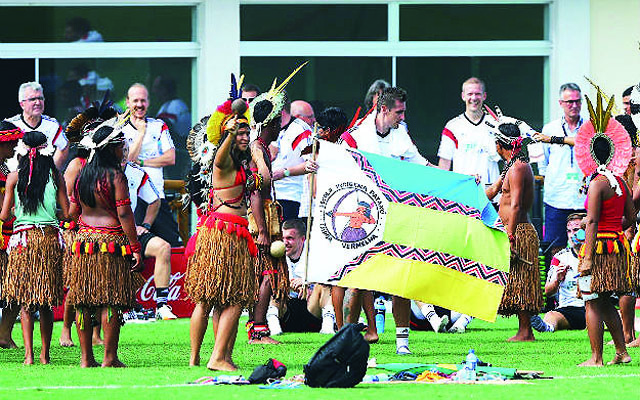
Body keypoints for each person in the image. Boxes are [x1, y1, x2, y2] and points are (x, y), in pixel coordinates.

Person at [339, 86, 429, 354]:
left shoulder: (401, 132)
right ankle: (346, 340)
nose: (402, 117)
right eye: (398, 112)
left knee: (401, 277)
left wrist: (460, 178)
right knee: (356, 278)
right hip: (362, 218)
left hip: (396, 215)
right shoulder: (353, 138)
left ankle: (402, 343)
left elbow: (422, 166)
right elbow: (339, 174)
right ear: (383, 109)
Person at [185, 104, 257, 371]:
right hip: (224, 234)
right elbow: (217, 159)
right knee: (231, 298)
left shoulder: (240, 163)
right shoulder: (223, 160)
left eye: (246, 132)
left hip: (231, 233)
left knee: (219, 299)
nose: (244, 136)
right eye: (240, 132)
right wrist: (228, 133)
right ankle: (216, 358)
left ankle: (219, 356)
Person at [66, 123, 143, 368]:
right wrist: (135, 246)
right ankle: (109, 357)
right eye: (121, 145)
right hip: (110, 243)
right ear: (111, 149)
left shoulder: (82, 176)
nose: (124, 149)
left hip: (84, 243)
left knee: (83, 300)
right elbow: (124, 214)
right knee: (111, 300)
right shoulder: (115, 177)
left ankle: (86, 358)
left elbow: (73, 212)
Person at [574, 91, 633, 366]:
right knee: (605, 300)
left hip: (597, 248)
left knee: (592, 300)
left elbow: (594, 221)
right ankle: (622, 352)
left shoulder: (597, 183)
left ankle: (596, 357)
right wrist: (613, 228)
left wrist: (586, 257)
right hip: (617, 245)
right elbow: (631, 218)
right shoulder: (621, 182)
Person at [1, 131, 68, 364]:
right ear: (47, 149)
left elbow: (3, 215)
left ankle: (28, 355)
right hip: (48, 239)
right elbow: (68, 213)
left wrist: (17, 212)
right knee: (46, 300)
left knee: (26, 301)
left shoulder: (13, 177)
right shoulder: (56, 176)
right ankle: (44, 354)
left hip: (23, 242)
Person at [485, 111, 543, 341]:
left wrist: (510, 235)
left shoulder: (518, 167)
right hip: (512, 229)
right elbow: (491, 192)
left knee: (521, 281)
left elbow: (517, 205)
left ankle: (526, 331)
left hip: (518, 230)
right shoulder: (510, 167)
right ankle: (523, 329)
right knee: (516, 280)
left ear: (500, 145)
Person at [122, 83, 180, 247]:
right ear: (127, 102)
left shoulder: (159, 125)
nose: (139, 105)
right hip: (134, 199)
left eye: (143, 100)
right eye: (135, 101)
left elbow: (170, 158)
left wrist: (141, 162)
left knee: (172, 244)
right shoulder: (121, 130)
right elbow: (127, 161)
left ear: (148, 102)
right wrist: (140, 133)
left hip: (158, 196)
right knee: (136, 247)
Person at [534, 83, 586, 255]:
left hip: (583, 197)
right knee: (555, 247)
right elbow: (543, 162)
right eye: (569, 101)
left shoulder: (590, 128)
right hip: (556, 197)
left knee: (584, 245)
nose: (574, 105)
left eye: (577, 101)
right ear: (561, 103)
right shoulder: (550, 129)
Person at [123, 160, 176, 320]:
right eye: (120, 148)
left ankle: (161, 305)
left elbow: (155, 200)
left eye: (126, 148)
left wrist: (145, 224)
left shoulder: (135, 172)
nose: (124, 152)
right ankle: (125, 306)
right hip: (107, 232)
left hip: (131, 231)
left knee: (163, 247)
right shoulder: (95, 170)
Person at [267, 219, 335, 335]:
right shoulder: (276, 253)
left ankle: (328, 326)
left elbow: (331, 276)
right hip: (286, 311)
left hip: (312, 310)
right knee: (273, 285)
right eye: (283, 238)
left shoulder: (317, 253)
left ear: (302, 239)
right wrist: (289, 284)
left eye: (290, 238)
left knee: (324, 285)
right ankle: (273, 326)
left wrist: (307, 281)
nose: (285, 243)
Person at [437, 77, 500, 187]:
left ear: (484, 96)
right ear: (463, 96)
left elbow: (509, 159)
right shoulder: (452, 126)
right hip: (463, 192)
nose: (474, 98)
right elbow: (444, 164)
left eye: (478, 94)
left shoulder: (497, 125)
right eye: (470, 94)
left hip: (492, 193)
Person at [530, 213, 586, 332]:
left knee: (614, 313)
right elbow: (548, 292)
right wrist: (557, 280)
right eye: (569, 231)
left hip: (594, 306)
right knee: (551, 315)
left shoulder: (599, 254)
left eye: (576, 230)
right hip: (569, 310)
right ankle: (547, 328)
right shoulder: (560, 257)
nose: (572, 235)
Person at [6, 82, 69, 169]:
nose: (38, 102)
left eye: (40, 98)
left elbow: (64, 147)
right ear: (22, 104)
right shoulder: (10, 125)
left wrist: (52, 174)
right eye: (32, 99)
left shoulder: (52, 125)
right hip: (14, 180)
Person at [270, 98, 314, 221]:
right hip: (269, 197)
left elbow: (312, 163)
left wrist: (285, 172)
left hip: (292, 197)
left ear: (280, 110)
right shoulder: (269, 127)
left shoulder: (301, 129)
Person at [0, 122, 23, 350]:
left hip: (9, 233)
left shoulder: (5, 168)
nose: (16, 145)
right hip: (3, 232)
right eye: (12, 142)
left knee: (14, 286)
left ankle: (4, 334)